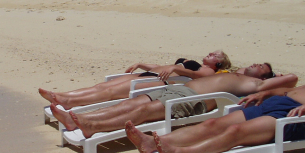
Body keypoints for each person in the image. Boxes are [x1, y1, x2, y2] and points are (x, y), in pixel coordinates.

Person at [126, 51, 305, 153]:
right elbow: (293, 90)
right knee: (213, 124)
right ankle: (155, 142)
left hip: (302, 116)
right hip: (280, 103)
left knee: (235, 134)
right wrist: (266, 93)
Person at [52, 63, 297, 138]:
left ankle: (93, 126)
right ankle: (81, 119)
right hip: (181, 89)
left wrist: (274, 79)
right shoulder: (235, 75)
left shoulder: (255, 84)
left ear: (265, 77)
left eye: (261, 67)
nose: (255, 64)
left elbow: (293, 78)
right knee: (129, 104)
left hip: (194, 99)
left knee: (143, 112)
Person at [40, 51, 231, 109]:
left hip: (158, 81)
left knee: (109, 92)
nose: (210, 53)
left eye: (215, 55)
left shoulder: (209, 72)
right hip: (152, 74)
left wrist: (175, 68)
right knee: (102, 86)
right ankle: (64, 96)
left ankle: (69, 102)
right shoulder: (195, 64)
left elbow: (195, 77)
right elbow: (161, 66)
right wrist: (141, 64)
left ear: (218, 63)